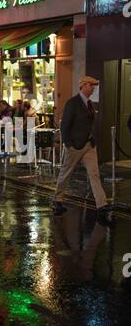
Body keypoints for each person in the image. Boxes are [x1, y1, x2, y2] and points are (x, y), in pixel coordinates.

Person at [53, 75, 111, 221]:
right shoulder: (72, 103)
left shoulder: (90, 104)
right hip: (75, 146)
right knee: (66, 173)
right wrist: (68, 144)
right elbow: (64, 125)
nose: (93, 89)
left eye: (93, 86)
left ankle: (102, 205)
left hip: (89, 145)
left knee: (94, 174)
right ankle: (57, 200)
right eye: (91, 86)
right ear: (83, 86)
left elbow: (89, 124)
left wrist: (92, 139)